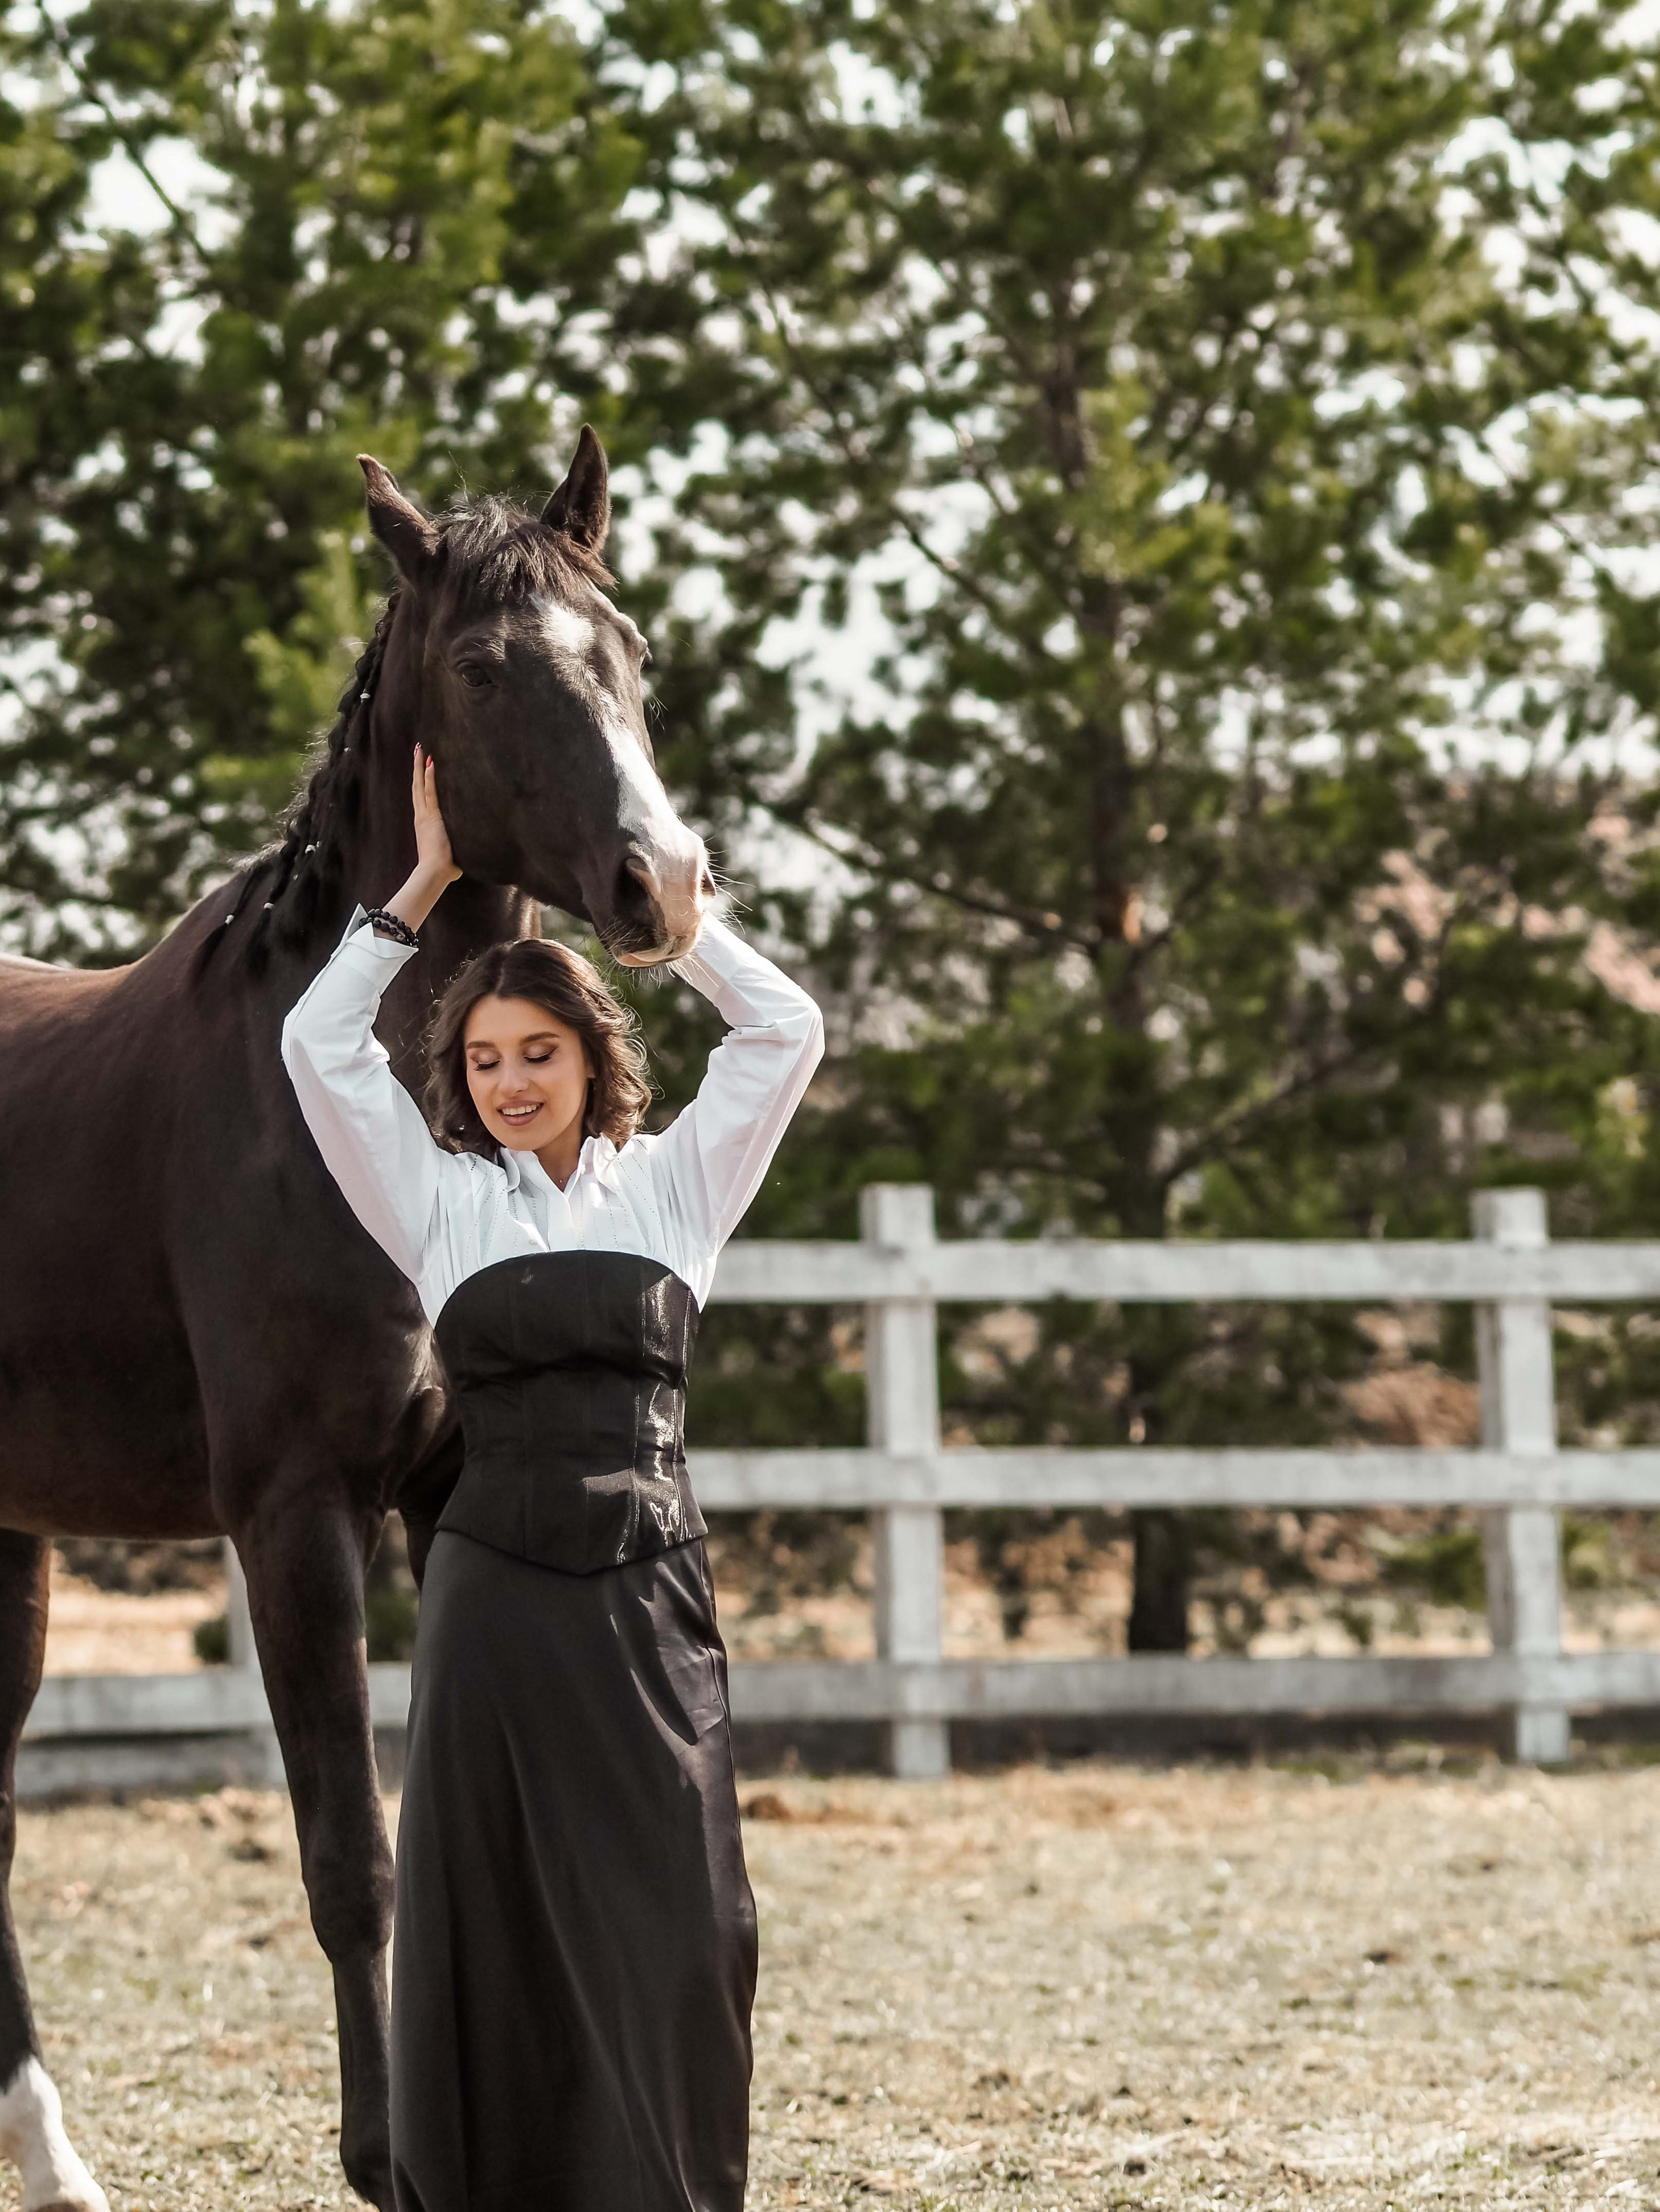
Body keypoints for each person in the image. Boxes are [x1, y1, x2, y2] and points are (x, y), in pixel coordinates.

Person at [280, 746, 824, 2212]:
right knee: (495, 1917)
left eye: (536, 1051)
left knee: (682, 1917)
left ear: (591, 1055)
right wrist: (422, 886)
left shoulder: (677, 1189)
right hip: (492, 1606)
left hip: (649, 1595)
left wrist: (687, 926)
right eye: (482, 1061)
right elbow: (317, 1046)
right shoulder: (437, 1200)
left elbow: (784, 1030)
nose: (509, 1082)